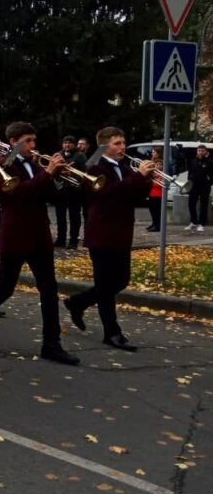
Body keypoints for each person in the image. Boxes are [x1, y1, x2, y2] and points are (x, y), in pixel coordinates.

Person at [0, 122, 79, 365]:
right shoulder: (2, 164)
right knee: (5, 287)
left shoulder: (35, 165)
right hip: (16, 234)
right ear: (14, 142)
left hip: (39, 235)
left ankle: (52, 344)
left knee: (49, 289)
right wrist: (47, 175)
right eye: (28, 141)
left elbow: (53, 198)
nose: (33, 146)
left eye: (34, 141)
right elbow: (16, 194)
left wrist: (59, 178)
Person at [63, 127, 155, 351]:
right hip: (102, 234)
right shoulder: (95, 168)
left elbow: (135, 196)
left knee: (121, 280)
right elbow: (109, 194)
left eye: (123, 142)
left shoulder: (124, 167)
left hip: (122, 233)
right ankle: (112, 333)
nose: (122, 147)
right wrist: (138, 177)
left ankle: (78, 302)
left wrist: (147, 178)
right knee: (105, 286)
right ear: (104, 146)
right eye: (117, 143)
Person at [54, 136, 85, 248]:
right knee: (60, 216)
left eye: (69, 143)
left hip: (74, 190)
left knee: (74, 217)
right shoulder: (58, 154)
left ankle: (73, 241)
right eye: (65, 143)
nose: (67, 145)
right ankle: (60, 239)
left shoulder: (80, 155)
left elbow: (84, 172)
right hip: (60, 189)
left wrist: (70, 174)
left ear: (74, 144)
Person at [186, 144, 211, 231]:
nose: (200, 152)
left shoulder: (210, 161)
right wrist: (189, 181)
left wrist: (209, 182)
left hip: (204, 187)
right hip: (194, 186)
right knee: (191, 204)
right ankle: (193, 221)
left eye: (202, 151)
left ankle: (202, 224)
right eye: (199, 150)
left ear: (206, 151)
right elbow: (189, 173)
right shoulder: (193, 161)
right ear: (197, 151)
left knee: (203, 205)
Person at [145, 147, 163, 232]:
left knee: (157, 210)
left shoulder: (159, 161)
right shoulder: (151, 161)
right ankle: (154, 223)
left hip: (158, 193)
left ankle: (157, 225)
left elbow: (159, 172)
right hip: (151, 192)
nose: (153, 154)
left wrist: (154, 173)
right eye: (152, 152)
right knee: (152, 209)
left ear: (158, 153)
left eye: (154, 152)